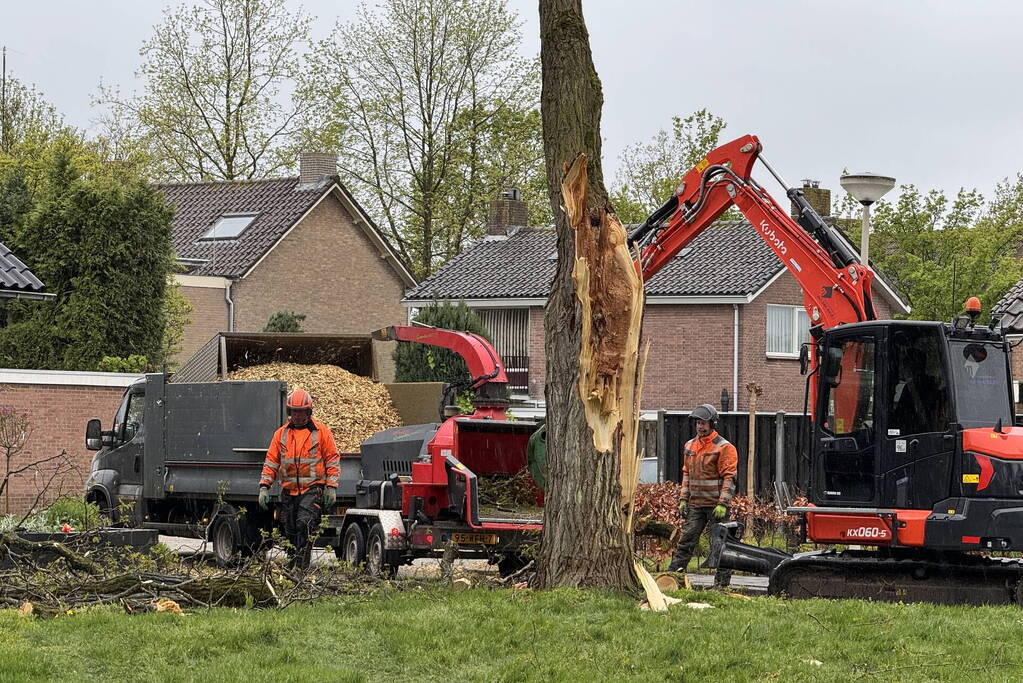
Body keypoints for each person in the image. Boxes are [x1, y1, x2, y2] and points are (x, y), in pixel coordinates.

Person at [258, 388, 340, 569]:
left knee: (305, 524)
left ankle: (301, 568)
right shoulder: (281, 434)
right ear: (289, 412)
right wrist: (264, 486)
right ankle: (293, 564)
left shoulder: (321, 433)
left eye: (301, 411)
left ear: (308, 412)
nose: (297, 415)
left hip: (312, 489)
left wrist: (331, 486)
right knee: (290, 530)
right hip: (288, 491)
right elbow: (271, 461)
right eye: (294, 411)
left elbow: (332, 459)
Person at [667, 403, 738, 587]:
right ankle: (672, 578)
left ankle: (721, 585)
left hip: (716, 506)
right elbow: (686, 474)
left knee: (721, 545)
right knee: (686, 541)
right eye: (698, 422)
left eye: (704, 423)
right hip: (696, 505)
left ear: (713, 424)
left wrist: (723, 503)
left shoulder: (724, 447)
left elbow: (729, 478)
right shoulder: (690, 445)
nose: (700, 426)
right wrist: (683, 499)